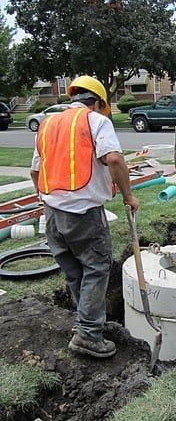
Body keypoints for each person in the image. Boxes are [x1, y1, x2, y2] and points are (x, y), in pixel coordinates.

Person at [30, 75, 139, 359]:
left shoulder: (48, 123)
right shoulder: (96, 121)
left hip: (52, 214)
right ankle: (89, 335)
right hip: (83, 214)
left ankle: (84, 324)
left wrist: (49, 199)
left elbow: (34, 171)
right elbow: (114, 159)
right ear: (98, 102)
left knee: (75, 271)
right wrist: (128, 196)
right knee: (97, 267)